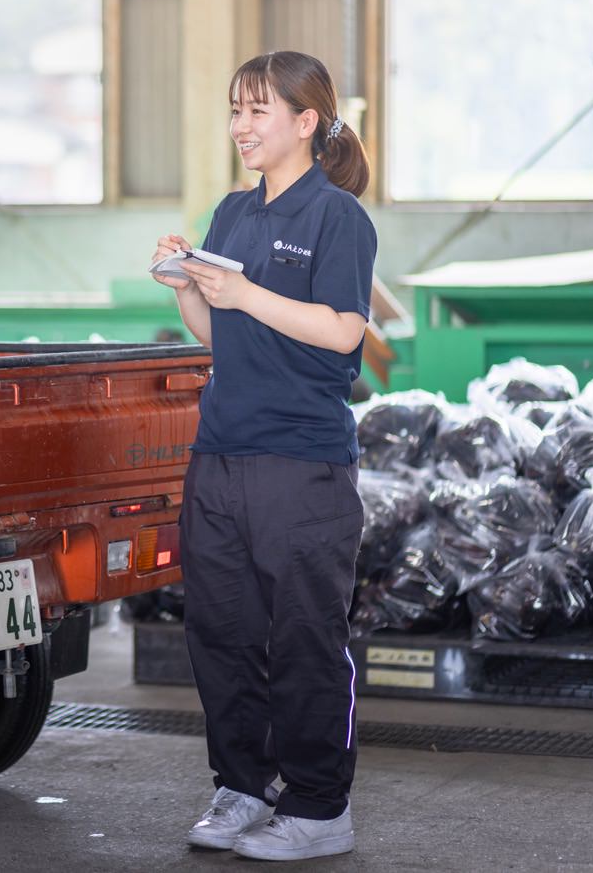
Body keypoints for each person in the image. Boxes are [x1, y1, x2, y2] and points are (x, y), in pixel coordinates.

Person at [150, 51, 376, 862]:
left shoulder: (337, 217)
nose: (240, 127)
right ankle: (243, 787)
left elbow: (346, 331)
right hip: (220, 457)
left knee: (306, 637)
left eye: (257, 111)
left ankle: (318, 807)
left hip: (302, 465)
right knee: (223, 631)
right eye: (235, 111)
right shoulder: (232, 213)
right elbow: (223, 336)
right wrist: (187, 287)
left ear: (306, 122)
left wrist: (244, 291)